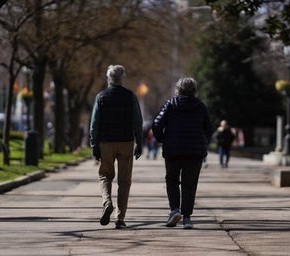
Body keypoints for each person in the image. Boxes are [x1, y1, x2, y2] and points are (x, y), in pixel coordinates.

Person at [152, 77, 214, 229]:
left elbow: (157, 124)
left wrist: (162, 139)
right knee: (189, 184)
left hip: (173, 150)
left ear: (178, 90)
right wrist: (203, 142)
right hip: (194, 152)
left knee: (172, 180)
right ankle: (187, 218)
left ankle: (174, 211)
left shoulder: (170, 105)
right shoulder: (200, 106)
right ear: (194, 91)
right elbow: (209, 129)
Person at [89, 64, 143, 229]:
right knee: (124, 181)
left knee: (105, 175)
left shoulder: (101, 97)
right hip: (126, 141)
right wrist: (139, 142)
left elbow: (94, 122)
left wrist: (94, 143)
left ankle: (107, 202)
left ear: (108, 78)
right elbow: (137, 121)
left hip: (106, 141)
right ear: (122, 78)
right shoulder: (130, 96)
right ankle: (120, 217)